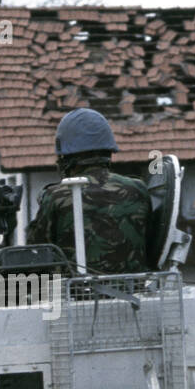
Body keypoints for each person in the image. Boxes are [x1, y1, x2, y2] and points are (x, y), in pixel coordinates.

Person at [27, 108, 152, 272]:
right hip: (133, 289)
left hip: (74, 293)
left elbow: (36, 254)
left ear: (67, 158)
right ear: (109, 151)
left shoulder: (57, 196)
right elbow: (151, 243)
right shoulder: (138, 189)